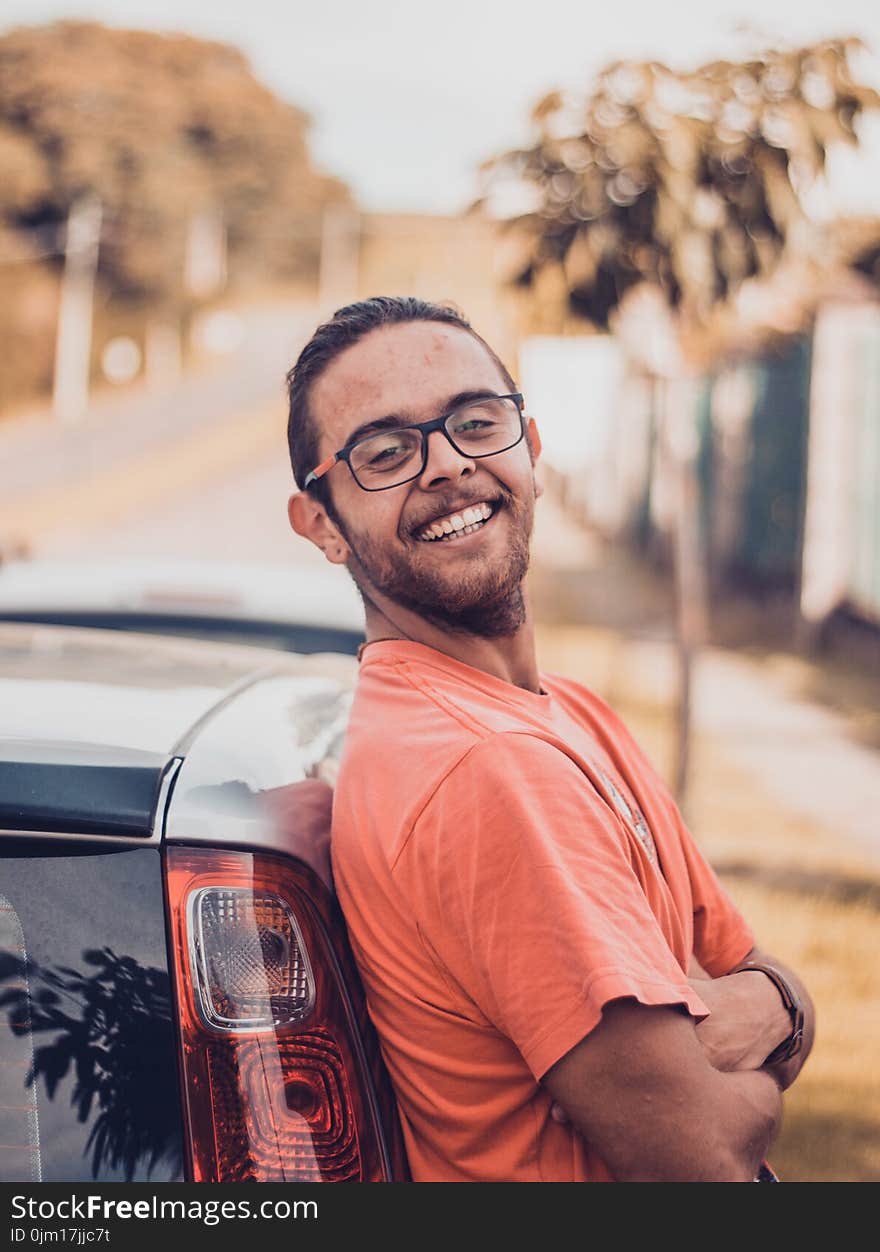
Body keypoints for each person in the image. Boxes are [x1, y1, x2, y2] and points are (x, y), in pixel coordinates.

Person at [286, 296, 815, 1182]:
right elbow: (708, 1153)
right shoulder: (485, 770)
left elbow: (747, 962)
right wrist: (779, 1016)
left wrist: (773, 1000)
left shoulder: (566, 713)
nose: (449, 465)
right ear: (324, 524)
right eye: (385, 453)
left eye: (476, 422)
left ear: (529, 443)